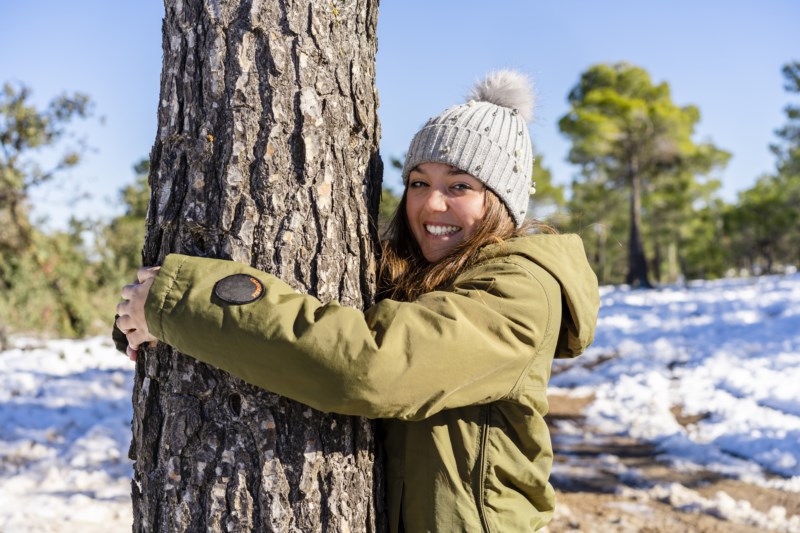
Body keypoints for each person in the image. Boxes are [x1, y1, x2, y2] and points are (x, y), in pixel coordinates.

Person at [115, 70, 600, 532]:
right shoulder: (420, 276)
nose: (431, 204)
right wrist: (142, 310)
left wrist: (181, 299)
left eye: (459, 186)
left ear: (502, 202)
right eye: (418, 183)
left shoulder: (519, 292)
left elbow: (372, 364)